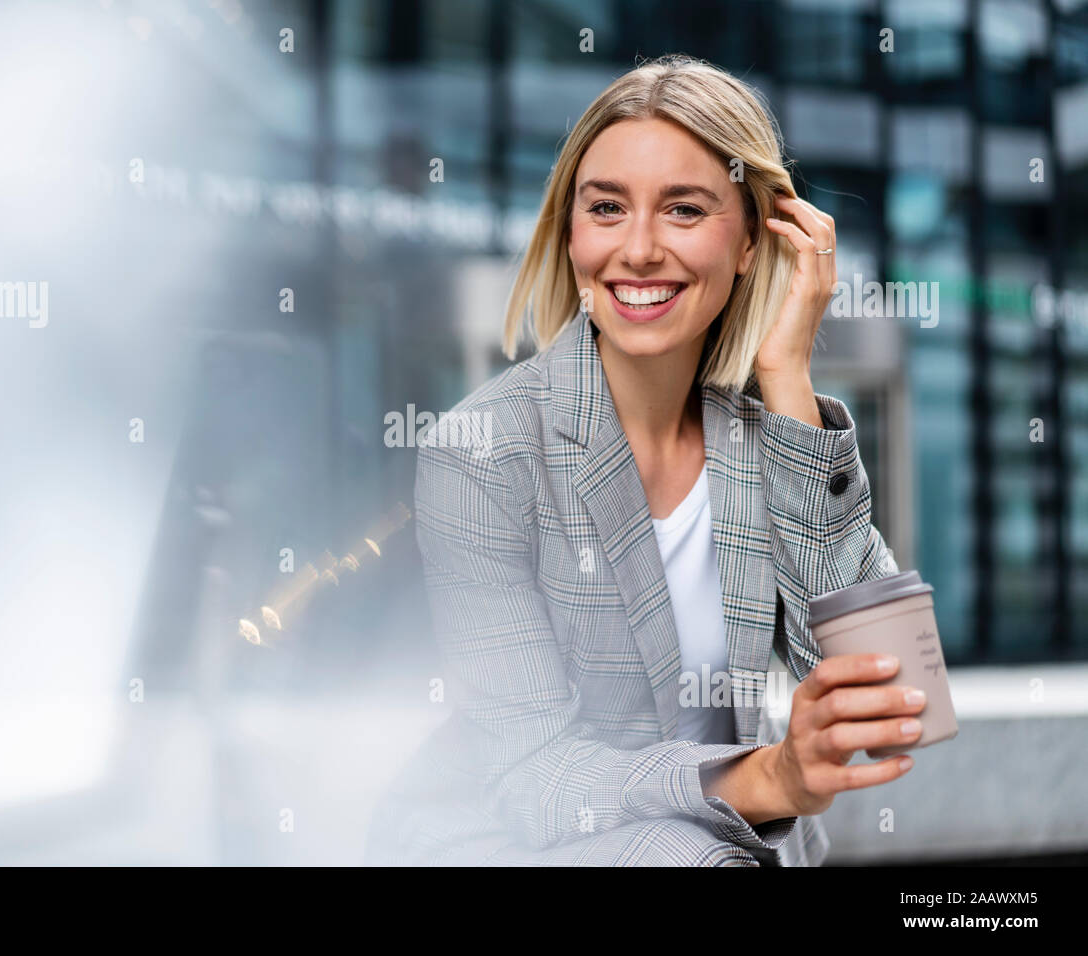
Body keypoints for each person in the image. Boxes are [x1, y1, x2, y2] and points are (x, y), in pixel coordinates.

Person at [365, 54, 927, 866]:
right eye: (606, 208)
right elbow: (536, 779)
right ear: (570, 234)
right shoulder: (480, 453)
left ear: (751, 241)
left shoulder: (763, 437)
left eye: (685, 210)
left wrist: (790, 383)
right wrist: (766, 777)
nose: (637, 249)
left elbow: (899, 692)